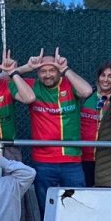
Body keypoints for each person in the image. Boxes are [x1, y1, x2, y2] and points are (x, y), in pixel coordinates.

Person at [18, 49, 94, 207]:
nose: (47, 75)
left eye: (52, 70)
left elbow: (87, 91)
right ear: (37, 73)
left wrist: (65, 69)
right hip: (43, 161)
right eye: (42, 71)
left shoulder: (69, 85)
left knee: (77, 208)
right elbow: (1, 79)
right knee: (47, 209)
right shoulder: (31, 86)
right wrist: (26, 67)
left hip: (71, 161)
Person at [82, 62, 111, 187]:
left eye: (110, 76)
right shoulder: (87, 96)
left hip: (107, 158)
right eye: (103, 75)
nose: (105, 80)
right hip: (83, 157)